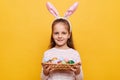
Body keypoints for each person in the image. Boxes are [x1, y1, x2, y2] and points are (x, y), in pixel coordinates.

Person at [41, 2, 83, 80]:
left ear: (69, 35)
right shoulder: (48, 54)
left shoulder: (74, 54)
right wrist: (45, 72)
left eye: (63, 33)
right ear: (52, 35)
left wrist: (77, 72)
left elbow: (81, 79)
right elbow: (42, 78)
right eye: (56, 33)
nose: (60, 36)